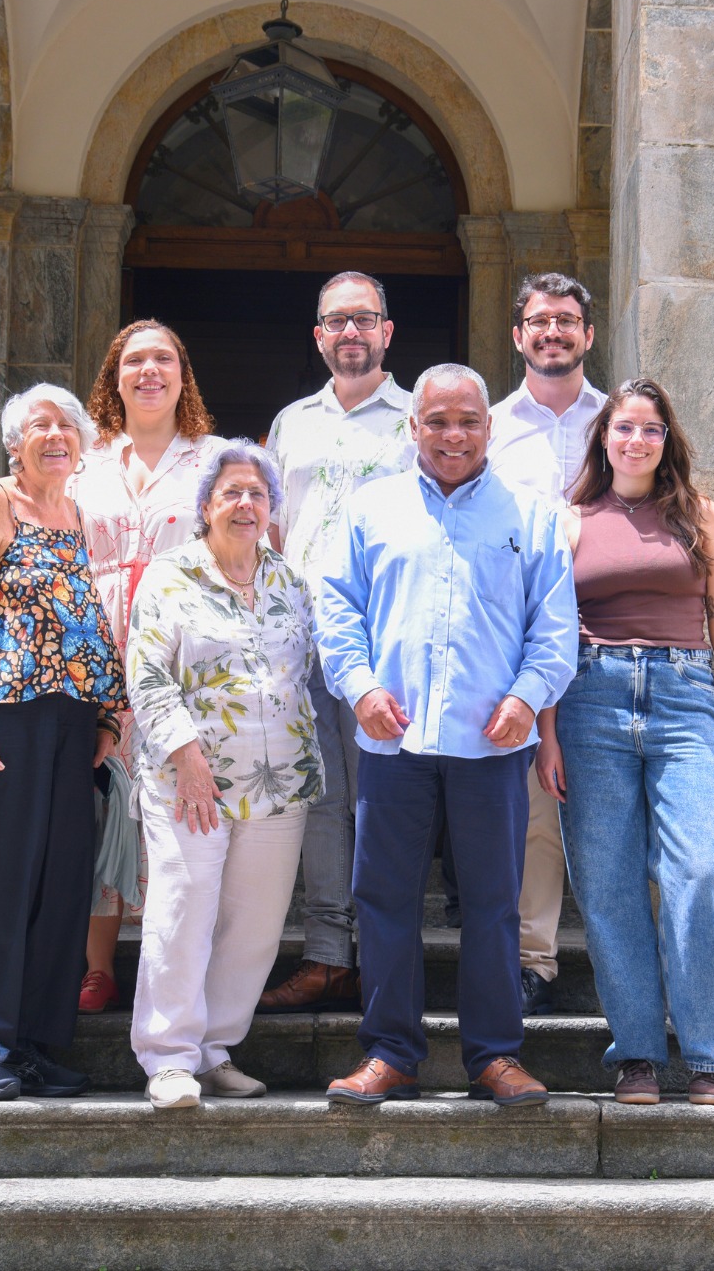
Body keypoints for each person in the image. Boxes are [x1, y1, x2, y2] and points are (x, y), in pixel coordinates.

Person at [317, 364, 577, 1106]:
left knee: (495, 902)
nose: (453, 434)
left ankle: (494, 1055)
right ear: (414, 426)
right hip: (394, 744)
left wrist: (529, 701)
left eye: (467, 420)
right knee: (383, 899)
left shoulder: (531, 517)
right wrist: (360, 686)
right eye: (438, 421)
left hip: (492, 747)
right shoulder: (371, 509)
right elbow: (335, 610)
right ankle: (391, 1052)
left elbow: (554, 633)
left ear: (489, 427)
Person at [535, 378, 714, 1106]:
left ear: (667, 439)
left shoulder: (701, 516)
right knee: (608, 886)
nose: (636, 440)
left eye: (650, 429)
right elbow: (549, 635)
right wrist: (548, 735)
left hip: (685, 699)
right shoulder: (569, 521)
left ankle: (711, 1053)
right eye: (624, 427)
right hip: (589, 699)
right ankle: (636, 1053)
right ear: (603, 437)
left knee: (698, 872)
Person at [0, 384, 127, 1102]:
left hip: (69, 725)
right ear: (13, 443)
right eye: (39, 426)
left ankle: (33, 1044)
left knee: (58, 886)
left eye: (67, 427)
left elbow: (79, 625)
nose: (55, 436)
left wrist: (106, 717)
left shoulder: (74, 512)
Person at [127, 441, 323, 1109]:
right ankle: (170, 1057)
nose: (245, 505)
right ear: (206, 506)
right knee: (183, 911)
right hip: (193, 780)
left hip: (278, 781)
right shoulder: (170, 575)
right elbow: (147, 672)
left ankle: (213, 1050)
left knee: (255, 924)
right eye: (231, 493)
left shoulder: (289, 581)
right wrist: (185, 757)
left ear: (273, 510)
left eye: (257, 494)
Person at [258, 271, 415, 1013]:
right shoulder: (292, 422)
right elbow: (275, 531)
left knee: (382, 799)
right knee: (319, 798)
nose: (350, 332)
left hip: (385, 636)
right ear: (318, 336)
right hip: (300, 636)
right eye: (335, 321)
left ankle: (385, 956)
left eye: (364, 319)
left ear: (388, 331)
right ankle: (326, 955)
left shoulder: (419, 418)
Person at [72, 320, 224, 1014]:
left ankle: (178, 977)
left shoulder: (214, 460)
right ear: (115, 375)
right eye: (135, 360)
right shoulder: (83, 460)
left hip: (180, 655)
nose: (150, 371)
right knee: (103, 810)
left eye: (164, 357)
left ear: (183, 373)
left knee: (175, 813)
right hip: (93, 648)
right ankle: (96, 965)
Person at [489, 273, 607, 1015]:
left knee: (609, 800)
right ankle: (535, 957)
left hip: (611, 631)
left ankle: (625, 948)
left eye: (567, 321)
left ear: (588, 335)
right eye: (540, 321)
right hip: (521, 635)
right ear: (518, 335)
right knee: (535, 806)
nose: (553, 332)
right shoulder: (491, 425)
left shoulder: (621, 420)